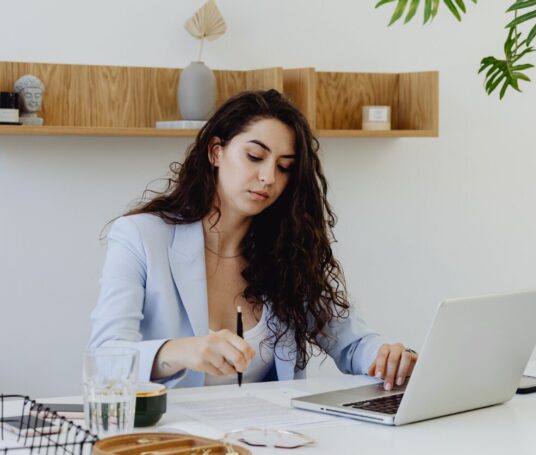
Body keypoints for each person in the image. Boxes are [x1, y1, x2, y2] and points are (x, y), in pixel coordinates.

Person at [89, 90, 417, 389]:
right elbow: (105, 357)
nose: (268, 178)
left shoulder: (287, 251)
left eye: (284, 166)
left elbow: (353, 343)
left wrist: (388, 356)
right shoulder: (140, 236)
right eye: (255, 157)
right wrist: (182, 351)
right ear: (216, 152)